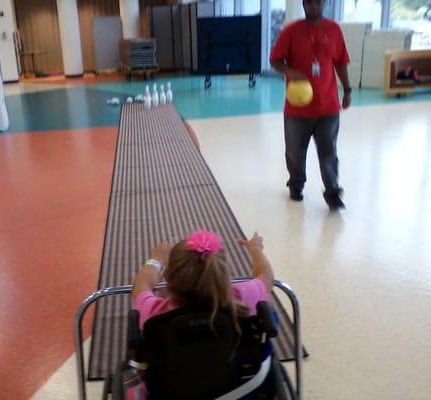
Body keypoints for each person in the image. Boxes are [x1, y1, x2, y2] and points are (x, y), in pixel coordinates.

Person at [270, 0, 351, 210]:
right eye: (309, 3)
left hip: (328, 106)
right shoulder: (291, 32)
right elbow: (275, 60)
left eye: (318, 2)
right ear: (304, 4)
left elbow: (341, 62)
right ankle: (296, 184)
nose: (314, 6)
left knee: (329, 153)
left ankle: (333, 192)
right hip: (297, 108)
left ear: (323, 3)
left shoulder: (334, 30)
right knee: (295, 152)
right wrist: (290, 72)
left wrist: (348, 89)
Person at [132, 230, 274, 331]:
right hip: (238, 371)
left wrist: (156, 260)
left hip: (174, 372)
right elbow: (265, 274)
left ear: (167, 276)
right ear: (225, 274)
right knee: (266, 302)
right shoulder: (243, 296)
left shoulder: (153, 311)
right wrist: (255, 249)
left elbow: (142, 283)